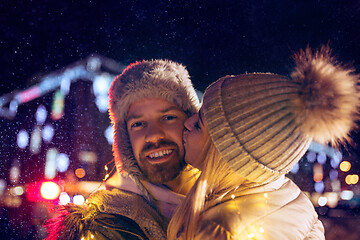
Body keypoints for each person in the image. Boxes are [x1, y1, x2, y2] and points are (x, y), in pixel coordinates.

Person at [168, 46, 359, 239]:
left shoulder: (220, 229)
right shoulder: (292, 201)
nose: (187, 122)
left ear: (229, 152)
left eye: (199, 124)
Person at [45, 59, 201, 240]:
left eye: (168, 117)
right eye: (138, 124)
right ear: (125, 139)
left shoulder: (229, 196)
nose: (153, 135)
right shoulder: (105, 227)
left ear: (191, 122)